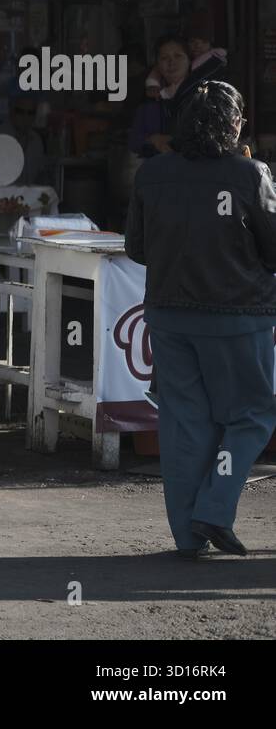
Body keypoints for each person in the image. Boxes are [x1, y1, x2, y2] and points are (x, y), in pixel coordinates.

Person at [125, 81, 276, 559]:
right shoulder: (251, 174)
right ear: (233, 125)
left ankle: (188, 536)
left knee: (185, 423)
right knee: (251, 416)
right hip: (238, 318)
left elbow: (136, 248)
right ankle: (214, 507)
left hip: (169, 316)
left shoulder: (152, 173)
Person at [129, 33, 224, 157]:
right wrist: (154, 139)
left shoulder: (202, 96)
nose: (171, 62)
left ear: (189, 60)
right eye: (164, 58)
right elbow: (134, 141)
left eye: (178, 56)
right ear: (157, 65)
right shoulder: (150, 100)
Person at [0, 91, 47, 186]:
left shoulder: (36, 140)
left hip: (29, 198)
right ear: (11, 111)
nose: (25, 117)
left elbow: (40, 176)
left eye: (30, 113)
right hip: (1, 198)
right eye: (20, 111)